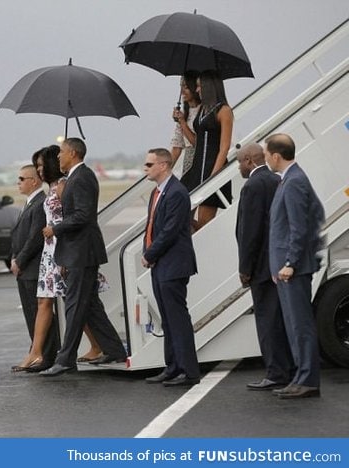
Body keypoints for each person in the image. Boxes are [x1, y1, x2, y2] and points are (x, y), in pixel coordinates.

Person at [40, 138, 126, 376]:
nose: (58, 157)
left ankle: (65, 359)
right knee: (90, 307)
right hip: (76, 251)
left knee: (75, 305)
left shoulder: (83, 177)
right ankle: (115, 349)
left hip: (82, 251)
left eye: (62, 153)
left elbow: (83, 216)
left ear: (74, 154)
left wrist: (55, 229)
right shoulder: (73, 179)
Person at [264, 133, 325, 399]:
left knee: (300, 326)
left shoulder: (294, 182)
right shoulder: (290, 180)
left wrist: (290, 262)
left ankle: (308, 379)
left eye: (266, 153)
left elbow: (300, 228)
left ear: (276, 156)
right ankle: (301, 377)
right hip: (287, 268)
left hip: (294, 269)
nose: (266, 158)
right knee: (293, 325)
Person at [235, 143, 294, 390]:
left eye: (239, 162)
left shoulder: (253, 185)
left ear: (249, 160)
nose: (238, 167)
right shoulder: (276, 179)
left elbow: (250, 232)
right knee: (279, 319)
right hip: (276, 262)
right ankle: (287, 368)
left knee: (267, 321)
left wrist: (244, 268)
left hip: (260, 266)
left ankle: (276, 373)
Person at [142, 148, 200, 387]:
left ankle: (189, 371)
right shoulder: (158, 192)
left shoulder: (176, 192)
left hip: (173, 264)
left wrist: (150, 253)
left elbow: (170, 231)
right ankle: (173, 366)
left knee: (177, 319)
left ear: (163, 165)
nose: (145, 169)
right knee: (167, 319)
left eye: (149, 164)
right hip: (161, 263)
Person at [9, 163, 51, 371]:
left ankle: (42, 355)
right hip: (25, 269)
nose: (18, 183)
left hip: (33, 268)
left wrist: (20, 260)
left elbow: (35, 238)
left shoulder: (40, 203)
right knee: (30, 315)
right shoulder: (29, 204)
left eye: (21, 179)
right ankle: (35, 352)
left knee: (38, 314)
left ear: (34, 181)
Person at [180, 70, 234, 231]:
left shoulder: (224, 111)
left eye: (199, 86)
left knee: (204, 223)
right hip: (196, 170)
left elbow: (224, 146)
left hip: (212, 169)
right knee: (182, 216)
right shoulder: (203, 109)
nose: (197, 90)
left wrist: (214, 177)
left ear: (209, 87)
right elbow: (197, 141)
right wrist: (182, 122)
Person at [171, 71, 201, 177]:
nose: (182, 91)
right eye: (181, 87)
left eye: (186, 87)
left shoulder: (203, 111)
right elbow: (177, 147)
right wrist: (165, 172)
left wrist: (183, 123)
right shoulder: (184, 114)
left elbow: (198, 143)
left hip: (199, 161)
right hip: (188, 162)